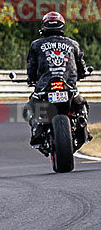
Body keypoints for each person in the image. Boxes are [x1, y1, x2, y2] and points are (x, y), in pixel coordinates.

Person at [27, 11, 92, 146]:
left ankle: (38, 129)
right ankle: (83, 124)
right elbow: (80, 66)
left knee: (31, 106)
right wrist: (83, 74)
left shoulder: (36, 44)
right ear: (62, 26)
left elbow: (31, 68)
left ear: (44, 27)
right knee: (81, 103)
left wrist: (31, 79)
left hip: (45, 86)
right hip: (68, 86)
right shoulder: (73, 44)